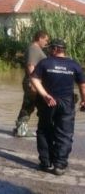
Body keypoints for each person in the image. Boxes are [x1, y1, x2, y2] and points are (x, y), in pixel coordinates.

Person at [30, 39, 85, 175]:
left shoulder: (45, 63)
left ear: (55, 49)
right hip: (67, 103)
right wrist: (84, 101)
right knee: (65, 134)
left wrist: (45, 95)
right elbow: (82, 85)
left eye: (50, 48)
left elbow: (34, 79)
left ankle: (46, 163)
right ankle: (59, 165)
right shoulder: (74, 65)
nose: (48, 50)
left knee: (44, 130)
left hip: (48, 102)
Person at [13, 30, 49, 137]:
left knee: (29, 105)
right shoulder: (34, 49)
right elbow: (30, 67)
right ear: (40, 38)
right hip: (32, 82)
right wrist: (34, 83)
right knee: (29, 105)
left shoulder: (36, 49)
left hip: (33, 81)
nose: (47, 42)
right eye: (46, 40)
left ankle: (20, 128)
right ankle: (21, 130)